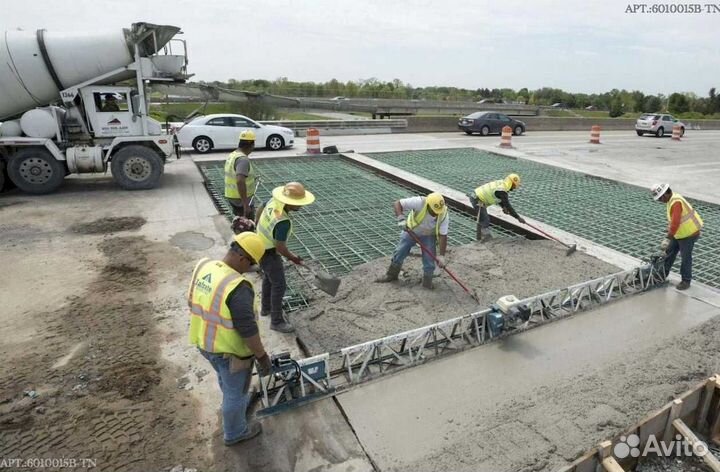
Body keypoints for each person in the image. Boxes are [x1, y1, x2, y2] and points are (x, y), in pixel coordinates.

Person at [187, 232, 272, 446]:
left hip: (204, 342)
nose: (250, 268)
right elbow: (248, 330)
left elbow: (192, 301)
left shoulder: (205, 266)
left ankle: (233, 404)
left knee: (226, 381)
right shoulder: (238, 287)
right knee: (236, 392)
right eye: (251, 263)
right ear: (242, 258)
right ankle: (235, 432)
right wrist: (262, 356)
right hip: (229, 351)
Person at [255, 182, 315, 333]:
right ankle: (276, 321)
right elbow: (280, 248)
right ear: (289, 202)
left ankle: (266, 308)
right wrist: (293, 257)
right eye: (298, 203)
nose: (301, 206)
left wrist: (256, 227)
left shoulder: (273, 201)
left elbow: (260, 208)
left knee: (268, 278)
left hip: (258, 246)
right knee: (279, 285)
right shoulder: (283, 222)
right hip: (269, 253)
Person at [376, 192, 449, 289]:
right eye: (434, 211)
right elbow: (397, 203)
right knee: (400, 251)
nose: (436, 214)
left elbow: (443, 235)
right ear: (428, 205)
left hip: (428, 235)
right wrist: (401, 218)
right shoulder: (419, 202)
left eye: (438, 212)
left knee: (429, 260)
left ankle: (427, 282)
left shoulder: (443, 214)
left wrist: (442, 256)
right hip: (411, 230)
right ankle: (391, 275)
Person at [651, 183, 704, 290]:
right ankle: (661, 275)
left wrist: (668, 238)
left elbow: (675, 223)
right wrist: (670, 234)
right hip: (680, 233)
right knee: (669, 252)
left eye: (660, 199)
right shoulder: (671, 200)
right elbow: (672, 222)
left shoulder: (676, 202)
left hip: (689, 233)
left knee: (685, 257)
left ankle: (686, 280)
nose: (660, 201)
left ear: (665, 194)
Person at [469, 173, 525, 241]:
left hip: (476, 196)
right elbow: (508, 206)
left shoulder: (501, 184)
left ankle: (479, 239)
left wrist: (503, 207)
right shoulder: (502, 191)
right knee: (485, 219)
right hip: (477, 199)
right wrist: (518, 217)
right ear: (511, 184)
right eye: (514, 186)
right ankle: (486, 239)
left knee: (482, 218)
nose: (513, 189)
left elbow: (497, 196)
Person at [225, 130, 258, 220]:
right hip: (240, 199)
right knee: (246, 225)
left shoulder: (233, 154)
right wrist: (245, 205)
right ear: (251, 145)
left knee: (239, 222)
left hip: (232, 196)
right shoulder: (243, 159)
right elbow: (240, 181)